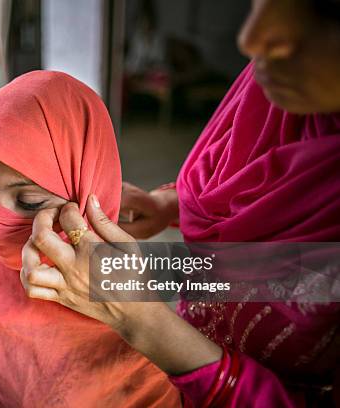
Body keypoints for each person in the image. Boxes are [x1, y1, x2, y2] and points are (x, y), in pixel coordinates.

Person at [21, 0, 340, 406]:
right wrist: (170, 205)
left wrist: (141, 320)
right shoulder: (268, 97)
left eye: (329, 13)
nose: (250, 39)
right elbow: (231, 250)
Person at [0, 71, 180, 407]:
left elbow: (253, 275)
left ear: (90, 185)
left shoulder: (144, 331)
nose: (0, 223)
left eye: (29, 202)